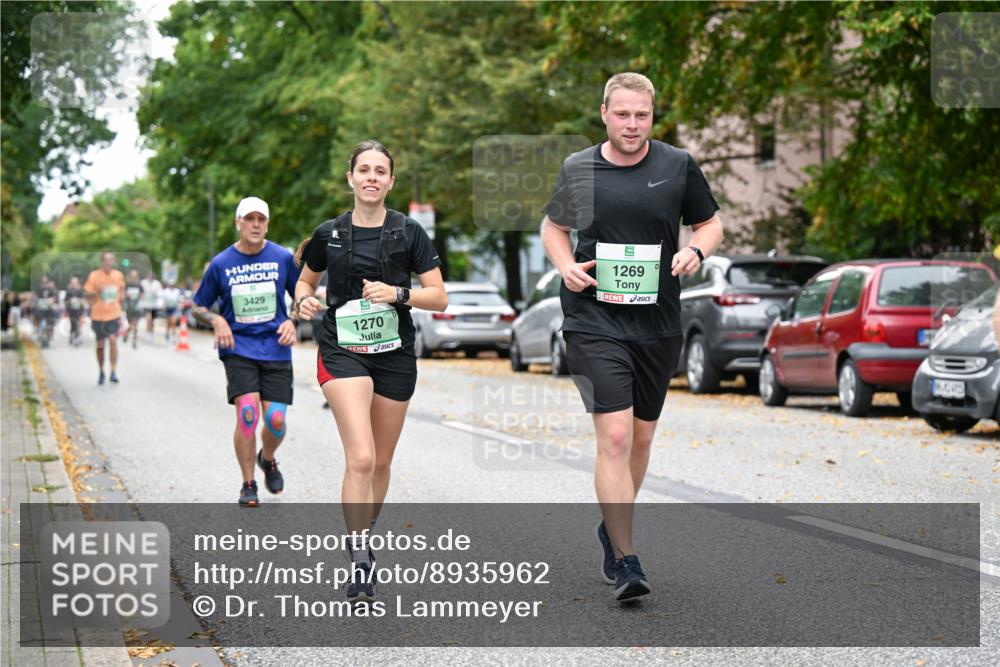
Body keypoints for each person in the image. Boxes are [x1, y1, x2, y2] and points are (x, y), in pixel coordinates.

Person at [541, 73, 724, 602]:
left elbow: (711, 224)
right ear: (604, 113)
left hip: (657, 321)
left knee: (641, 438)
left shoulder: (677, 165)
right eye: (622, 114)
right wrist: (566, 266)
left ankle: (610, 524)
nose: (631, 124)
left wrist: (697, 251)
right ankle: (626, 558)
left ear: (652, 115)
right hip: (592, 318)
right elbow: (553, 228)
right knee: (616, 435)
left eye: (641, 115)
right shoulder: (579, 168)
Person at [296, 140, 447, 603]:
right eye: (364, 169)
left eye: (381, 171)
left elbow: (438, 297)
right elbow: (306, 279)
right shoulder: (329, 233)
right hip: (343, 350)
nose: (372, 177)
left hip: (395, 352)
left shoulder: (409, 232)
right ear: (351, 178)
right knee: (360, 458)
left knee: (380, 462)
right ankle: (360, 557)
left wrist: (398, 294)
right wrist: (303, 299)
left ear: (390, 181)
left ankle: (359, 529)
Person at [192, 196, 299, 507]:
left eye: (261, 220)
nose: (255, 225)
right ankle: (248, 483)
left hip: (276, 348)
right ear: (237, 223)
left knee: (276, 420)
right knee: (249, 414)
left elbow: (301, 296)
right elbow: (198, 305)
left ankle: (268, 458)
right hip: (238, 348)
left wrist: (293, 320)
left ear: (266, 224)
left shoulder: (282, 257)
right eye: (249, 219)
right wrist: (217, 319)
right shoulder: (221, 264)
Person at [84, 251, 126, 384]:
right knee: (100, 345)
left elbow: (121, 291)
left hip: (114, 314)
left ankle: (113, 371)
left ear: (113, 261)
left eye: (111, 260)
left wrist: (122, 300)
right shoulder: (94, 276)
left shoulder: (118, 275)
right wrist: (97, 290)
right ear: (102, 261)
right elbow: (87, 294)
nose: (108, 262)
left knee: (113, 340)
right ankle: (101, 371)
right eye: (106, 260)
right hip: (98, 314)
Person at [34, 275, 59, 348]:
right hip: (41, 311)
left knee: (49, 326)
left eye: (45, 282)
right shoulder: (39, 290)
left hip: (49, 311)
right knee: (42, 325)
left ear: (48, 282)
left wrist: (52, 300)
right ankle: (43, 338)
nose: (44, 284)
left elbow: (56, 299)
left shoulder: (52, 290)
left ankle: (48, 337)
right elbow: (35, 298)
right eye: (42, 282)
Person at [122, 269, 144, 349]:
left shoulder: (139, 285)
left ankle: (134, 341)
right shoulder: (127, 285)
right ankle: (127, 333)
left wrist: (140, 301)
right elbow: (123, 293)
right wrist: (126, 296)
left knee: (135, 324)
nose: (134, 277)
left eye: (135, 275)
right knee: (131, 324)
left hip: (136, 307)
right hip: (129, 307)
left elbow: (142, 294)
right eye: (132, 275)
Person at [140, 271, 163, 343]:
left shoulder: (157, 283)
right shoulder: (143, 283)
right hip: (146, 304)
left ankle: (151, 333)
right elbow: (141, 293)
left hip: (154, 305)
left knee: (152, 320)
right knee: (148, 318)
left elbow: (160, 294)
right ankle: (148, 333)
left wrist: (161, 304)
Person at [64, 276, 86, 347]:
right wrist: (69, 301)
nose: (74, 284)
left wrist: (80, 301)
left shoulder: (81, 291)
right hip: (71, 310)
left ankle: (77, 337)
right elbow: (65, 300)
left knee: (78, 323)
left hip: (79, 310)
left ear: (78, 283)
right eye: (72, 283)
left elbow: (84, 299)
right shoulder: (69, 291)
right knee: (73, 323)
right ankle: (72, 336)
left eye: (75, 283)